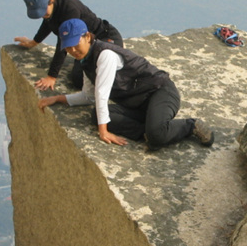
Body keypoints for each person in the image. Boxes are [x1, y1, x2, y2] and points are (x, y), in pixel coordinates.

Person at [38, 18, 214, 150]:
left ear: (87, 36)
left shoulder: (105, 55)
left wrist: (103, 132)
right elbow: (88, 96)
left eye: (75, 45)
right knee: (97, 116)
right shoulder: (86, 61)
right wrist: (57, 99)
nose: (73, 51)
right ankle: (148, 129)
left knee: (157, 137)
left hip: (160, 92)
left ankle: (190, 126)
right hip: (138, 105)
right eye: (68, 48)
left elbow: (101, 94)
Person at [14, 0, 123, 90]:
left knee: (89, 77)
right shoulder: (51, 11)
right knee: (78, 79)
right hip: (84, 46)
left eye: (43, 10)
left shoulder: (69, 9)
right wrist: (34, 42)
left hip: (105, 38)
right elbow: (49, 23)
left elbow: (63, 44)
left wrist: (52, 76)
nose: (42, 15)